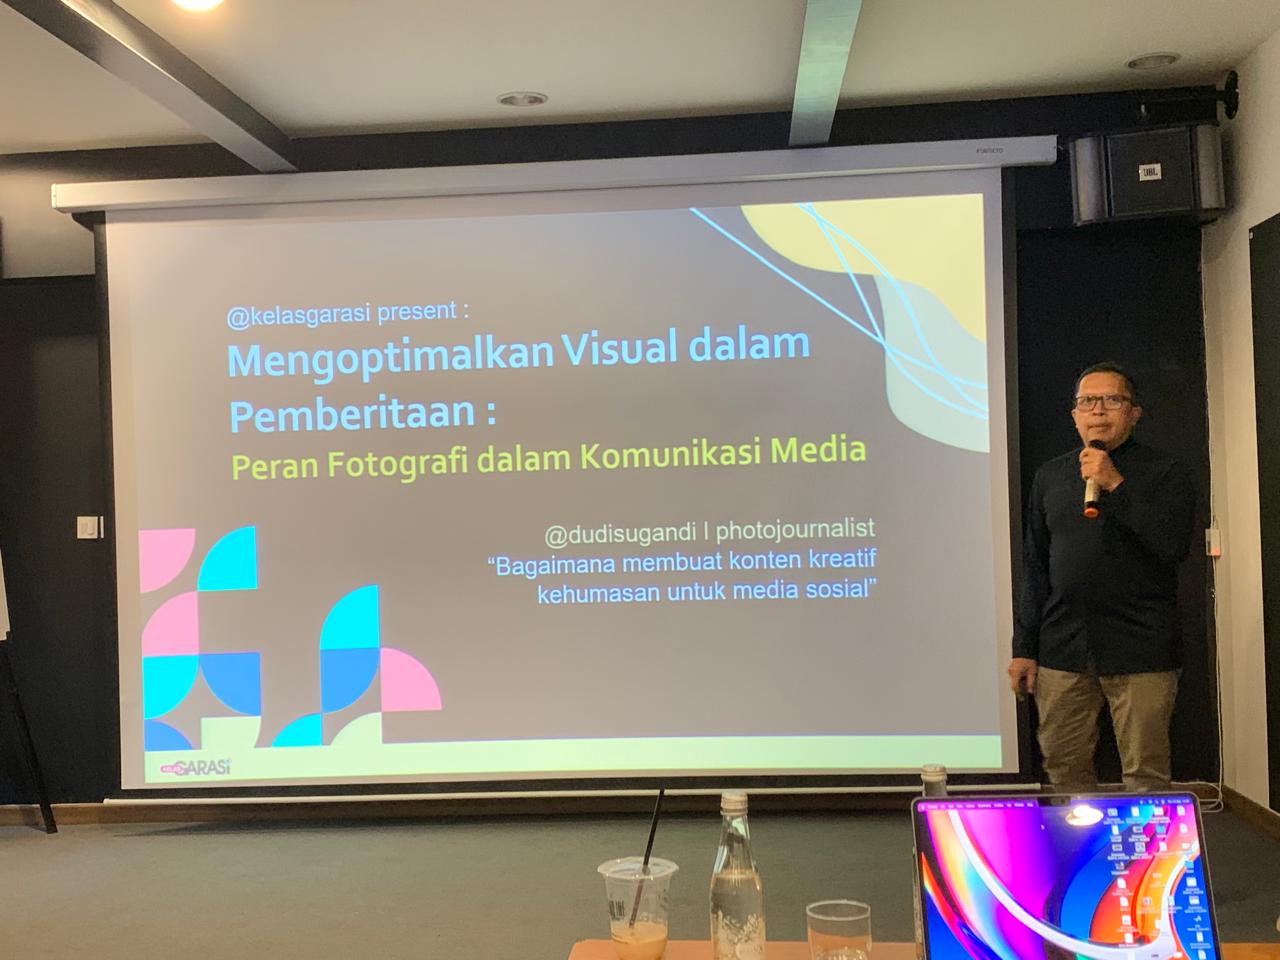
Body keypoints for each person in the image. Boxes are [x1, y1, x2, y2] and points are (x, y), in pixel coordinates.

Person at [1008, 362, 1194, 793]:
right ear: (1074, 414)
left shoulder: (1165, 472)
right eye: (1088, 401)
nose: (1098, 410)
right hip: (1063, 645)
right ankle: (1080, 838)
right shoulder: (1051, 476)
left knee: (1146, 772)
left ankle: (1144, 841)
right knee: (1063, 766)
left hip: (1141, 645)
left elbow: (1172, 545)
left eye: (1112, 400)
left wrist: (1114, 484)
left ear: (1134, 413)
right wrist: (1024, 648)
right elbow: (1036, 565)